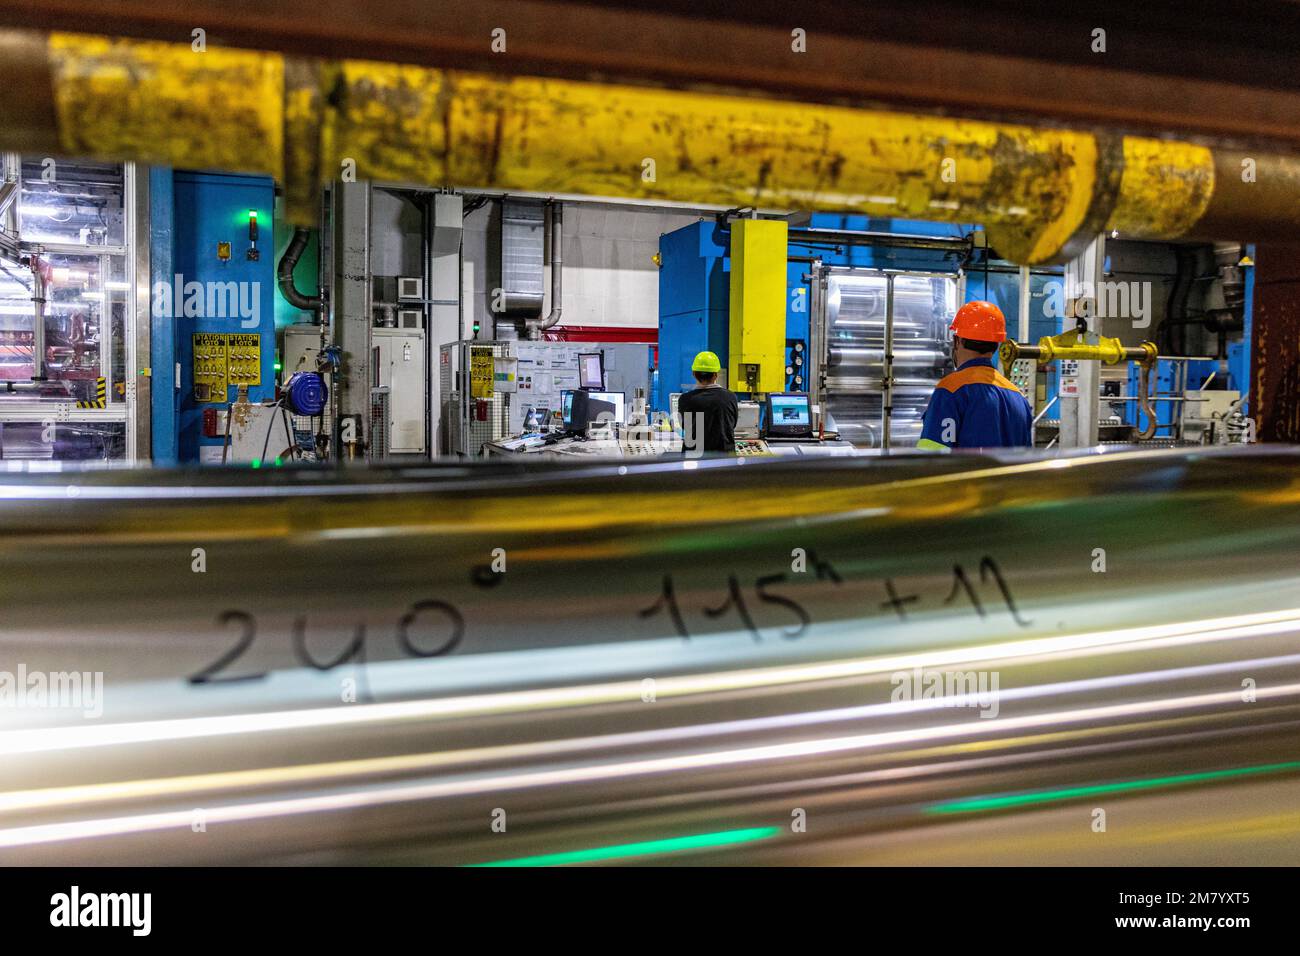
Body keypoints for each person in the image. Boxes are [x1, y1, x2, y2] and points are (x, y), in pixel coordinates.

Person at [917, 300, 1033, 451]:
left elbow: (932, 456)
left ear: (957, 341)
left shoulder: (951, 390)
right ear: (996, 345)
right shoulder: (1018, 398)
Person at [677, 350, 738, 454]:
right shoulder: (730, 397)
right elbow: (733, 424)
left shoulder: (685, 399)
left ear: (694, 374)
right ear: (715, 375)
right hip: (725, 461)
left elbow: (685, 426)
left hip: (694, 459)